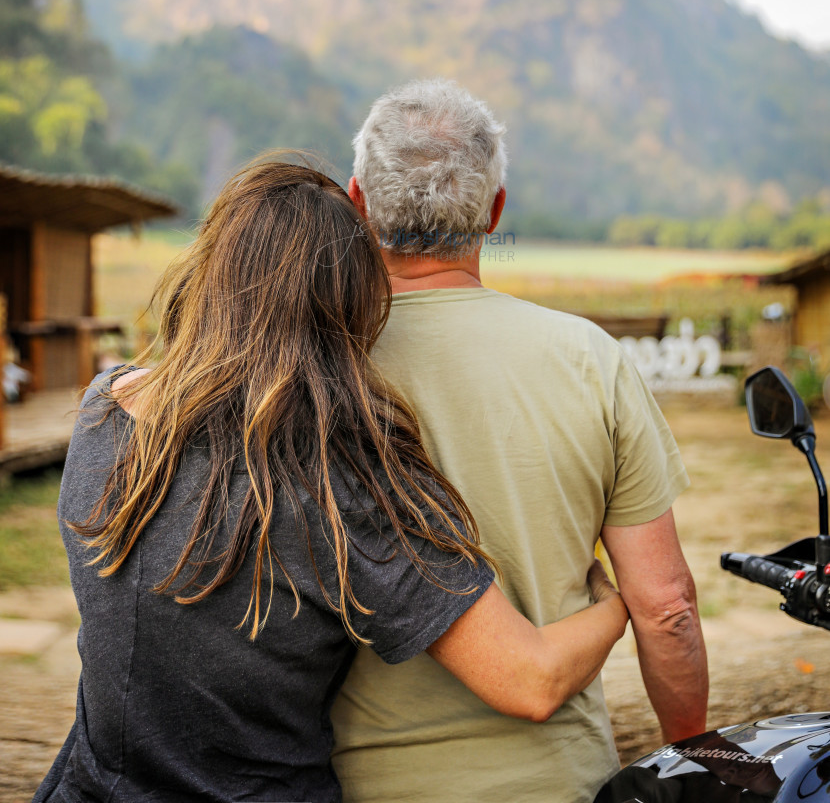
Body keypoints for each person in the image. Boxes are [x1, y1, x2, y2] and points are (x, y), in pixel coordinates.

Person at [34, 159, 628, 803]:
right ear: (346, 304)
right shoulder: (334, 479)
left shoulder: (104, 407)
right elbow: (530, 681)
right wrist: (616, 606)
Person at [331, 81, 709, 803]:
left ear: (358, 201)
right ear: (495, 210)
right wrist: (693, 751)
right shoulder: (589, 358)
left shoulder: (318, 364)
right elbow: (665, 605)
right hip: (558, 780)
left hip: (357, 783)